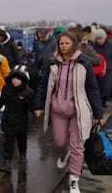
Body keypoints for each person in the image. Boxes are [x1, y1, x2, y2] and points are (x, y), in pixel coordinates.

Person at [33, 31, 103, 193]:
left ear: (74, 44)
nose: (64, 46)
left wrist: (98, 113)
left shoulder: (84, 62)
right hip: (58, 110)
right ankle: (64, 154)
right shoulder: (53, 63)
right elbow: (43, 86)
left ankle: (74, 179)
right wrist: (38, 105)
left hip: (79, 111)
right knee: (59, 141)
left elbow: (92, 89)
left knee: (78, 146)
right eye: (61, 43)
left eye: (67, 43)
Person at [0, 65, 35, 173]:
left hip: (21, 121)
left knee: (21, 139)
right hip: (8, 119)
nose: (15, 81)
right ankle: (7, 161)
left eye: (18, 79)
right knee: (8, 141)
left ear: (23, 80)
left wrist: (36, 109)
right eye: (13, 78)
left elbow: (32, 106)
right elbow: (2, 100)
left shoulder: (28, 92)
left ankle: (22, 154)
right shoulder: (6, 89)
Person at [92, 29, 112, 108]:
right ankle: (98, 106)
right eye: (97, 39)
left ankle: (102, 104)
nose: (99, 41)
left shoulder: (111, 46)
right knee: (96, 89)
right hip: (96, 71)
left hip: (108, 71)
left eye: (101, 39)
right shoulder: (92, 47)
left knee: (106, 89)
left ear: (105, 38)